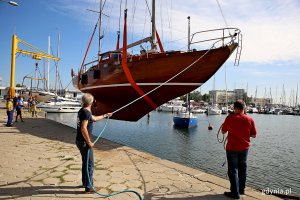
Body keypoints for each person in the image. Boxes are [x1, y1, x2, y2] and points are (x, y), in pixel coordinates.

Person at [76, 93, 112, 193]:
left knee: (85, 162)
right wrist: (89, 142)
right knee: (90, 164)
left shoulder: (83, 110)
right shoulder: (86, 112)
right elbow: (83, 128)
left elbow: (94, 118)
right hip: (84, 142)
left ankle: (85, 182)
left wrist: (105, 115)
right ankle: (89, 187)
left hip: (79, 141)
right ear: (91, 102)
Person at [221, 100, 257, 199]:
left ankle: (235, 193)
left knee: (233, 170)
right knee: (242, 169)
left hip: (232, 148)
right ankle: (241, 190)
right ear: (244, 108)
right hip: (244, 148)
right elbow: (254, 135)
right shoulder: (250, 119)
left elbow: (223, 132)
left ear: (235, 108)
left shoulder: (229, 118)